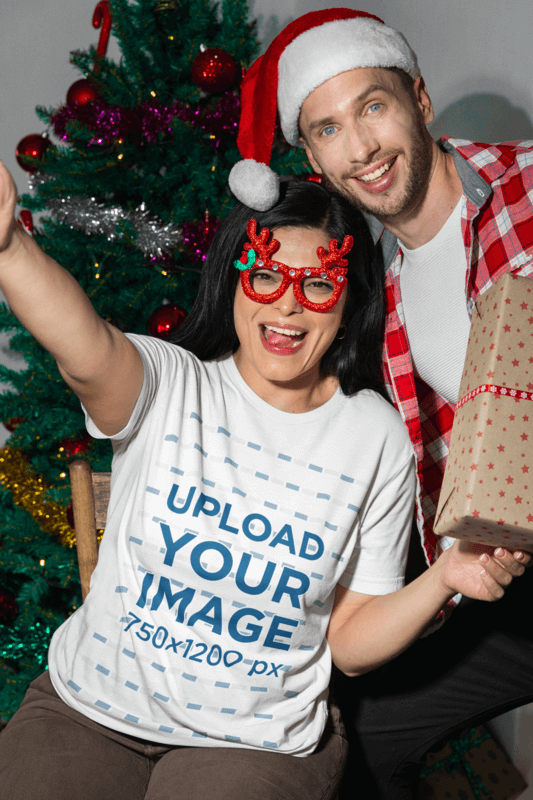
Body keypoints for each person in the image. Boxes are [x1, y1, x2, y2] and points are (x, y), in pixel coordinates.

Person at [0, 163, 525, 799]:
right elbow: (83, 349)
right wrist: (9, 246)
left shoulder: (375, 438)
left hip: (253, 742)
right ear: (236, 282)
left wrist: (445, 577)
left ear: (351, 300)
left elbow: (351, 642)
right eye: (267, 274)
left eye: (318, 287)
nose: (286, 305)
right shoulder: (171, 383)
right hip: (87, 712)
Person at [227, 8, 533, 800]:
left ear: (419, 102)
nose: (360, 148)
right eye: (327, 129)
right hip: (509, 573)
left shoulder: (526, 187)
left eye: (371, 107)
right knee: (340, 738)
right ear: (313, 158)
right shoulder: (378, 298)